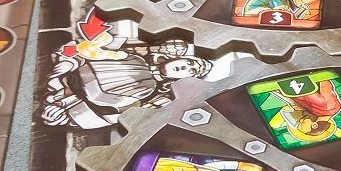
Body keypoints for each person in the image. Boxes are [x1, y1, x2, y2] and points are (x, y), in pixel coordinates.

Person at [40, 36, 212, 129]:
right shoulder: (134, 54)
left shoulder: (152, 96)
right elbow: (90, 46)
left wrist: (60, 118)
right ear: (178, 57)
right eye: (189, 62)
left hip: (66, 103)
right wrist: (69, 61)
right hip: (61, 74)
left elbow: (112, 117)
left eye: (192, 71)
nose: (185, 67)